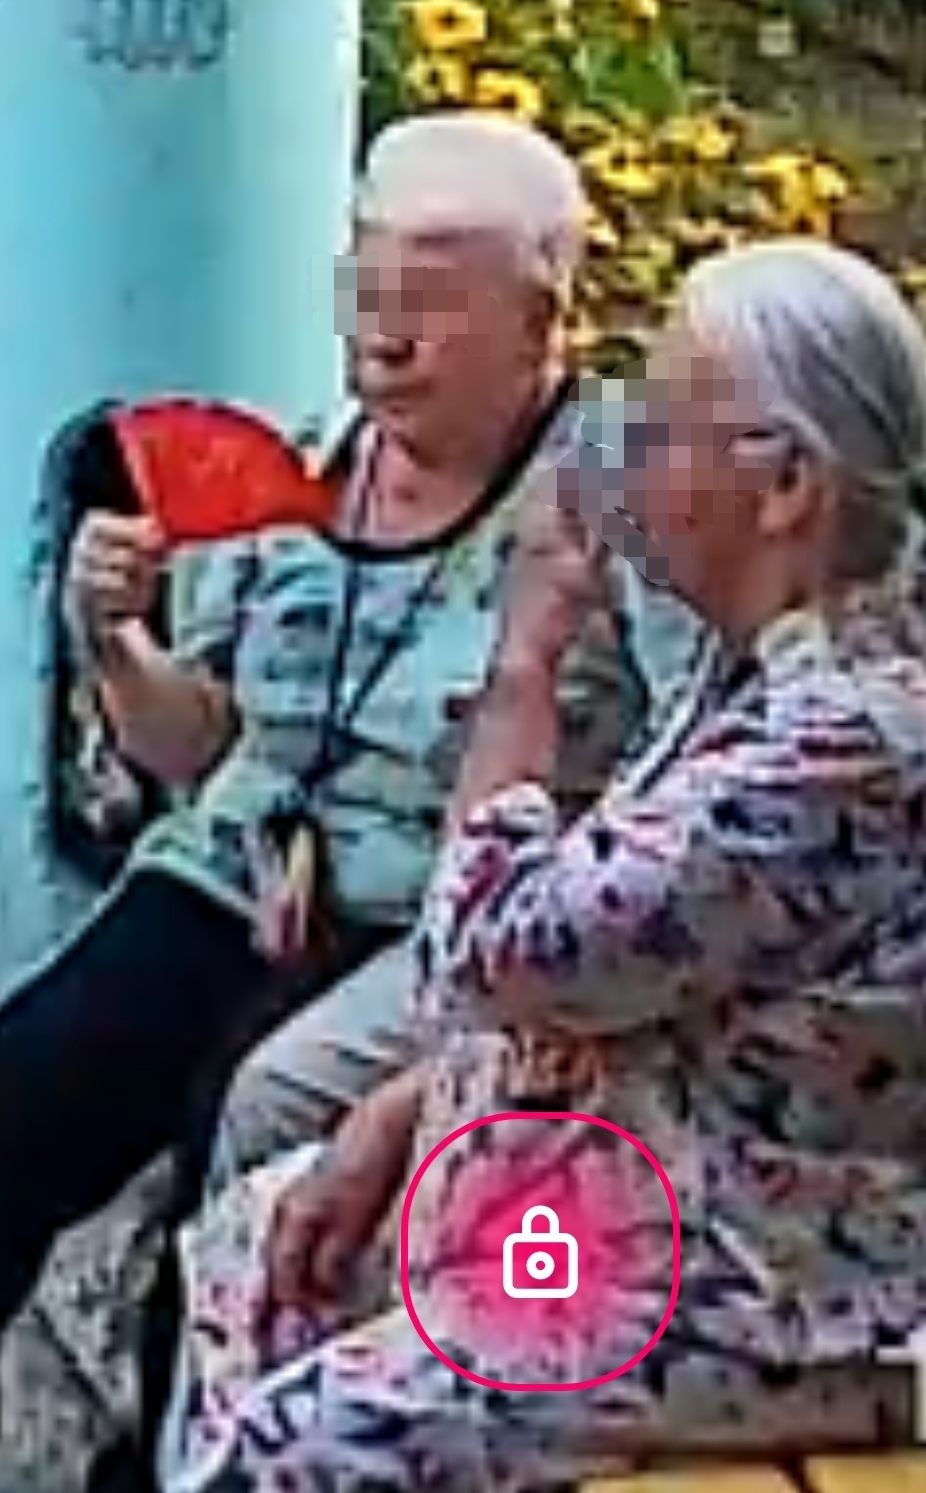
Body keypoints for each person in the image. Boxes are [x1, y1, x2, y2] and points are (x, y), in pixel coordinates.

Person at [164, 237, 926, 1492]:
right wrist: (396, 1113)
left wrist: (525, 657)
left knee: (294, 1444)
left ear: (784, 483)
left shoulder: (840, 746)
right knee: (262, 1254)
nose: (618, 458)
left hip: (750, 1289)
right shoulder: (755, 672)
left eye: (660, 426)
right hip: (617, 1200)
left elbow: (488, 959)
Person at [0, 110, 691, 1348]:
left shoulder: (622, 495)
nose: (383, 339)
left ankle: (191, 1415)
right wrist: (114, 637)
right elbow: (194, 750)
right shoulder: (304, 461)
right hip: (238, 873)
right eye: (365, 294)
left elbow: (693, 762)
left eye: (429, 307)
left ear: (540, 317)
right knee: (24, 1091)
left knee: (251, 1146)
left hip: (442, 917)